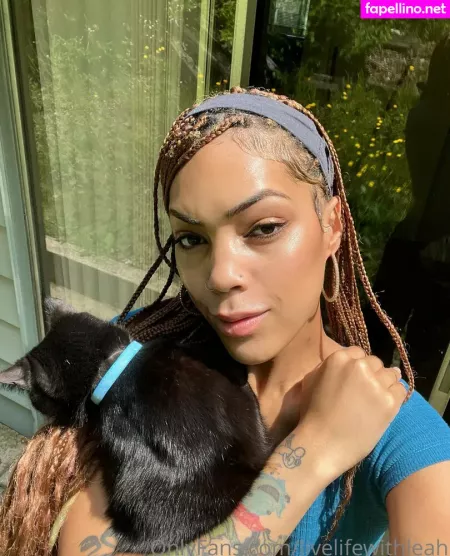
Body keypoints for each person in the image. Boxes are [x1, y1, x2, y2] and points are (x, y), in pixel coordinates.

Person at [1, 86, 450, 556]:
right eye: (191, 239)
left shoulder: (402, 436)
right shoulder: (139, 353)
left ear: (332, 225)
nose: (219, 275)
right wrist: (313, 454)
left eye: (264, 228)